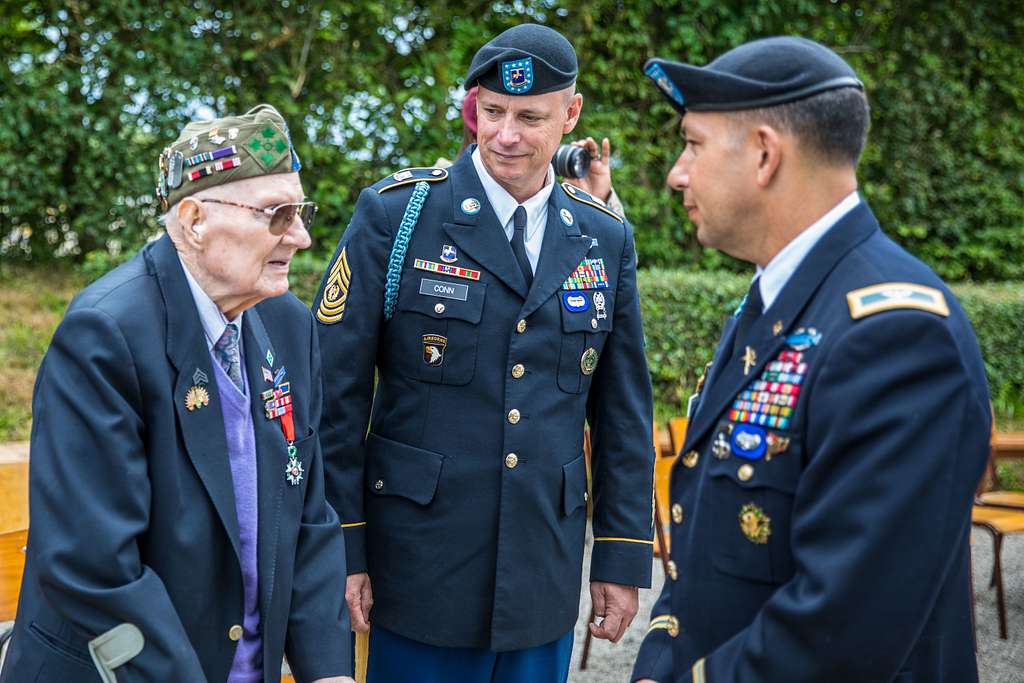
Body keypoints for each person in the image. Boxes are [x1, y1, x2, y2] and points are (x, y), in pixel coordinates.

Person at [632, 37, 990, 683]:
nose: (676, 173)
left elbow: (839, 633)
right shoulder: (776, 302)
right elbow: (702, 554)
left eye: (693, 144)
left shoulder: (898, 334)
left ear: (766, 154)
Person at [313, 22, 654, 683]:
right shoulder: (399, 214)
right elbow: (334, 397)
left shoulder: (602, 236)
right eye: (492, 112)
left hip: (542, 574)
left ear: (571, 113)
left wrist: (619, 556)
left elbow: (622, 414)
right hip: (417, 572)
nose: (505, 135)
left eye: (530, 117)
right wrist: (344, 546)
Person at [0, 105, 354, 683]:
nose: (302, 236)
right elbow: (93, 564)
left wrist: (328, 672)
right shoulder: (104, 334)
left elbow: (309, 515)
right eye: (277, 214)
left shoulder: (289, 326)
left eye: (301, 211)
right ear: (193, 220)